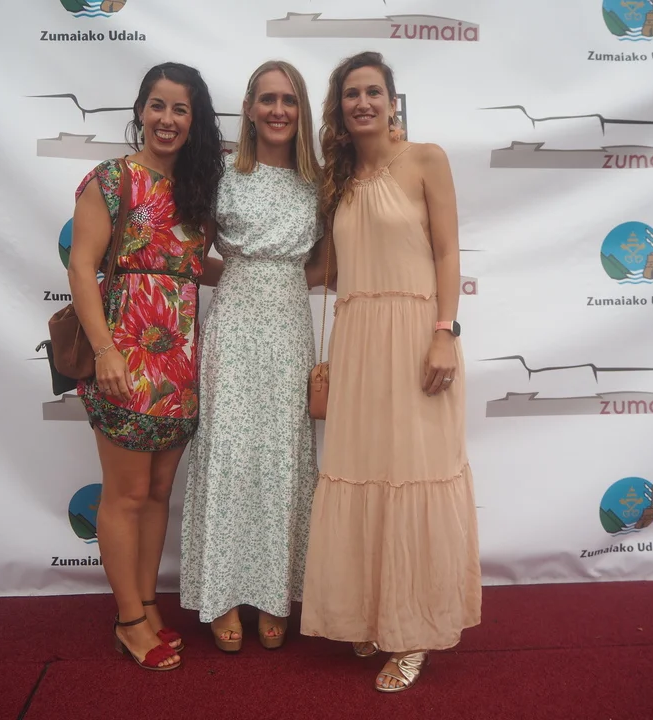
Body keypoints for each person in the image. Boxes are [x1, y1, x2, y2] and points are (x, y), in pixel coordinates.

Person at [299, 51, 482, 692]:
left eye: (373, 92)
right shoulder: (338, 180)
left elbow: (448, 251)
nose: (363, 103)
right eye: (351, 94)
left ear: (391, 101)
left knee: (414, 476)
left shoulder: (427, 159)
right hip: (358, 344)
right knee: (365, 471)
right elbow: (325, 271)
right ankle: (373, 616)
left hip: (416, 339)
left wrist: (444, 333)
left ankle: (414, 634)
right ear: (339, 108)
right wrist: (232, 269)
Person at [67, 62, 224, 671]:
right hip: (125, 357)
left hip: (180, 361)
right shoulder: (111, 180)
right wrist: (105, 351)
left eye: (181, 109)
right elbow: (82, 267)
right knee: (127, 493)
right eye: (158, 105)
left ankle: (149, 605)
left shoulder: (195, 190)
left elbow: (190, 266)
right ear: (140, 111)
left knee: (158, 494)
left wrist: (267, 268)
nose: (167, 119)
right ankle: (128, 620)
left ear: (194, 120)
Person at [180, 60, 323, 652]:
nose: (278, 110)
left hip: (289, 328)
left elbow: (327, 263)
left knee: (283, 455)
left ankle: (272, 593)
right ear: (248, 108)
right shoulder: (222, 175)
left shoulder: (319, 182)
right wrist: (245, 275)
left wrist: (278, 279)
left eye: (289, 100)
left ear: (302, 109)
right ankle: (221, 593)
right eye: (267, 99)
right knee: (229, 453)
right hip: (234, 326)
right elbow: (191, 254)